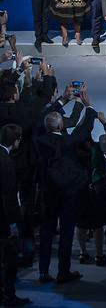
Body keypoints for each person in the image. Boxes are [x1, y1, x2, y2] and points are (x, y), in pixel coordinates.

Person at [37, 85, 96, 284]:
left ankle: (43, 272)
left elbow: (43, 116)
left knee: (47, 230)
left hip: (48, 191)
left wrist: (62, 99)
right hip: (69, 192)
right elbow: (86, 128)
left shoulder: (39, 141)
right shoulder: (68, 141)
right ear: (61, 127)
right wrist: (88, 107)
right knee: (66, 232)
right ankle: (64, 272)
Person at [0, 124, 30, 306]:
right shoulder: (7, 162)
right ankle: (9, 296)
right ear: (16, 140)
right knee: (10, 261)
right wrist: (12, 224)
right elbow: (8, 196)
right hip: (4, 219)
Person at [75, 131, 106, 267]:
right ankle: (99, 255)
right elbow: (102, 166)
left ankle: (82, 252)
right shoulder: (95, 148)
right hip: (97, 189)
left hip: (79, 188)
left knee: (80, 223)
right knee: (97, 225)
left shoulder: (74, 150)